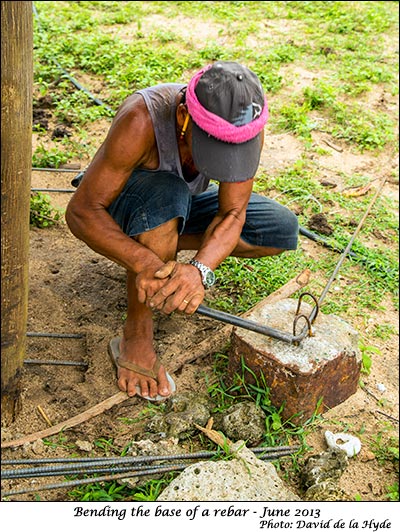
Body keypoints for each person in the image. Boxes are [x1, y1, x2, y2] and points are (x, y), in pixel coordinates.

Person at [65, 61, 299, 402]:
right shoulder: (141, 120)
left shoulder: (244, 128)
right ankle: (136, 335)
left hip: (179, 205)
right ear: (183, 117)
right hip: (122, 204)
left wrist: (198, 270)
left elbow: (233, 213)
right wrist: (144, 261)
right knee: (168, 194)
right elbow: (82, 211)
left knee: (277, 229)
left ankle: (163, 243)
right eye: (214, 148)